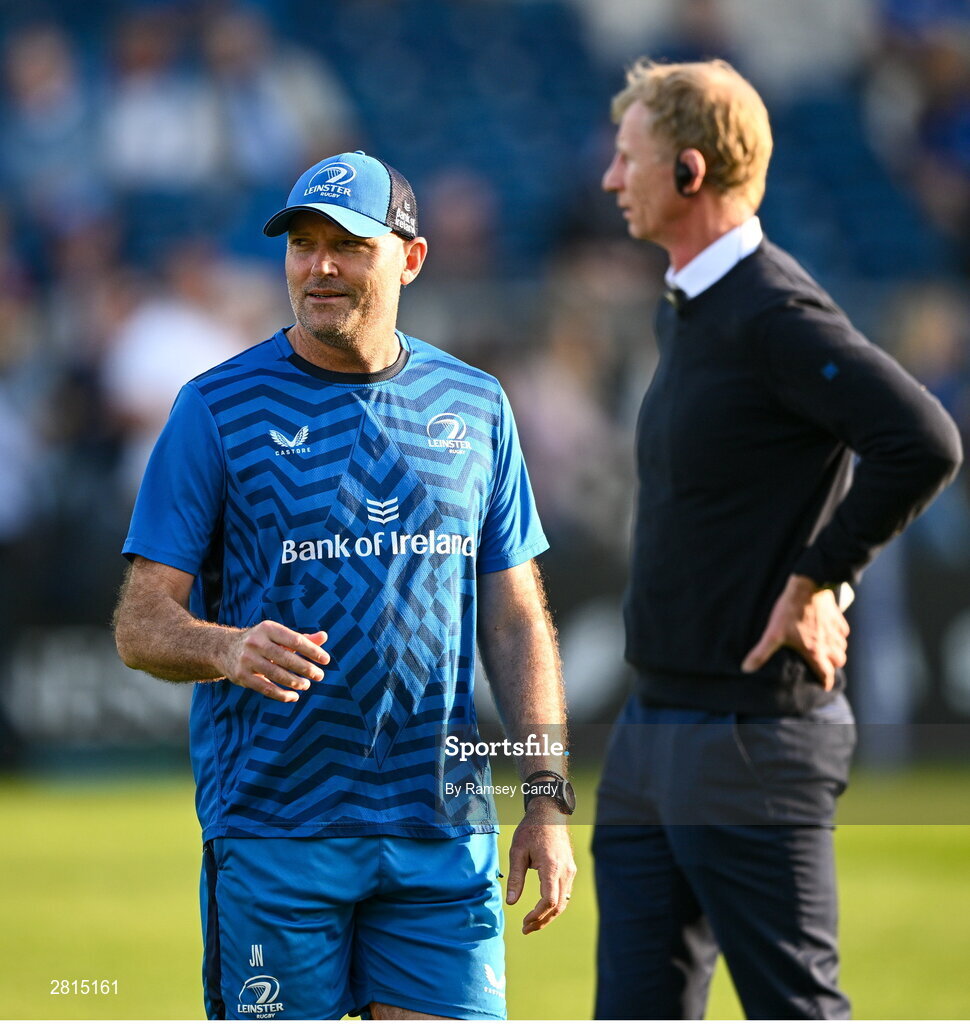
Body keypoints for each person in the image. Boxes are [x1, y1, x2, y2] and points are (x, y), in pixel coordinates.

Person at [113, 150, 576, 1021]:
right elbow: (140, 624)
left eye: (349, 244)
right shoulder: (215, 409)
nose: (320, 266)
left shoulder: (476, 405)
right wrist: (226, 646)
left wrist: (546, 799)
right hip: (278, 834)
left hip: (442, 836)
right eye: (303, 244)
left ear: (410, 258)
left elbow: (518, 622)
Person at [593, 59, 962, 1020]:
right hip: (655, 724)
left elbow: (922, 439)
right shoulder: (695, 306)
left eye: (624, 157)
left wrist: (818, 575)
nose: (607, 178)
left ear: (686, 173)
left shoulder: (771, 310)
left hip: (749, 734)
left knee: (796, 1012)